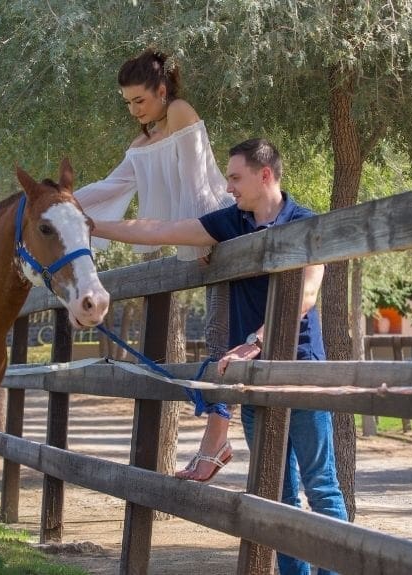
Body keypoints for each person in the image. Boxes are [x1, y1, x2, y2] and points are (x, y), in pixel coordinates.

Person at [93, 138, 349, 575]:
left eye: (235, 177)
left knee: (322, 488)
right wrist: (92, 225)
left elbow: (306, 294)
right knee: (279, 493)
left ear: (264, 174)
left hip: (301, 369)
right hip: (251, 375)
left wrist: (257, 339)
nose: (228, 187)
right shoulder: (233, 222)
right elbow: (159, 230)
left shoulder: (305, 222)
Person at [73, 49, 237, 482]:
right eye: (127, 103)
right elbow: (113, 185)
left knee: (223, 333)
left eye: (140, 101)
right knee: (221, 333)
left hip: (219, 224)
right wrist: (63, 203)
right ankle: (215, 444)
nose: (134, 110)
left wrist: (203, 233)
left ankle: (216, 444)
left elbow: (199, 180)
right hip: (194, 233)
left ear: (162, 92)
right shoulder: (141, 145)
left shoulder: (181, 112)